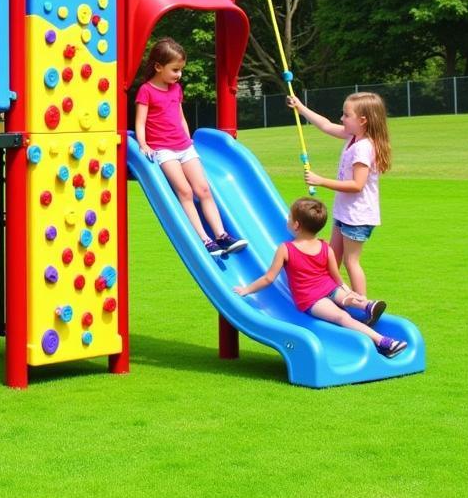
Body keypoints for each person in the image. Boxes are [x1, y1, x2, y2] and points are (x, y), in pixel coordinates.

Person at [233, 197, 406, 357]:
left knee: (342, 318)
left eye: (289, 217)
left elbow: (269, 278)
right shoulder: (325, 247)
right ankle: (366, 305)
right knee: (346, 300)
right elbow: (336, 277)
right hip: (330, 287)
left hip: (311, 299)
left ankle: (382, 341)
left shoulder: (286, 249)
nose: (287, 220)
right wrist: (346, 290)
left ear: (296, 225)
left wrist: (246, 289)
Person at [135, 37, 247, 257]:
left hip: (184, 147)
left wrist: (188, 140)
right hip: (163, 150)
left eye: (181, 70)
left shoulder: (176, 89)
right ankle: (205, 239)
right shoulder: (146, 91)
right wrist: (143, 144)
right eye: (175, 69)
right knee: (185, 191)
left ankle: (221, 235)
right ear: (158, 67)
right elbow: (140, 121)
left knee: (203, 189)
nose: (179, 75)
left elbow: (180, 117)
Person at [286, 91, 391, 296]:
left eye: (346, 115)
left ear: (362, 120)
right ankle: (331, 293)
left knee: (352, 263)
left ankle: (363, 305)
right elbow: (325, 125)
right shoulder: (353, 136)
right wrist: (300, 107)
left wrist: (321, 180)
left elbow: (357, 185)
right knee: (332, 257)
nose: (341, 118)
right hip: (345, 212)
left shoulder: (363, 148)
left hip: (358, 216)